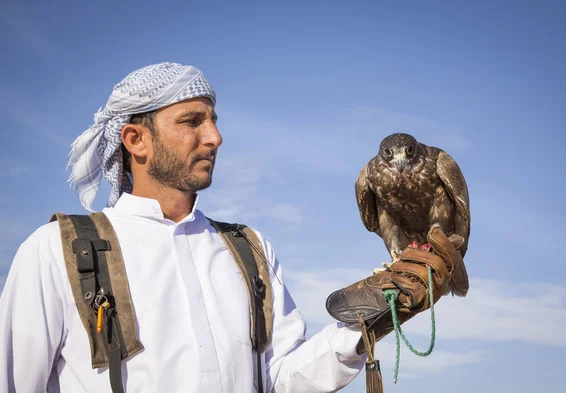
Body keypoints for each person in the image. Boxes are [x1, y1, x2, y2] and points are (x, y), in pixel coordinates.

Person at [0, 62, 461, 393]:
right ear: (135, 140)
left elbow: (283, 379)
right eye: (191, 121)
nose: (214, 136)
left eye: (214, 121)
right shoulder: (58, 251)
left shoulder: (249, 249)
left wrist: (368, 319)